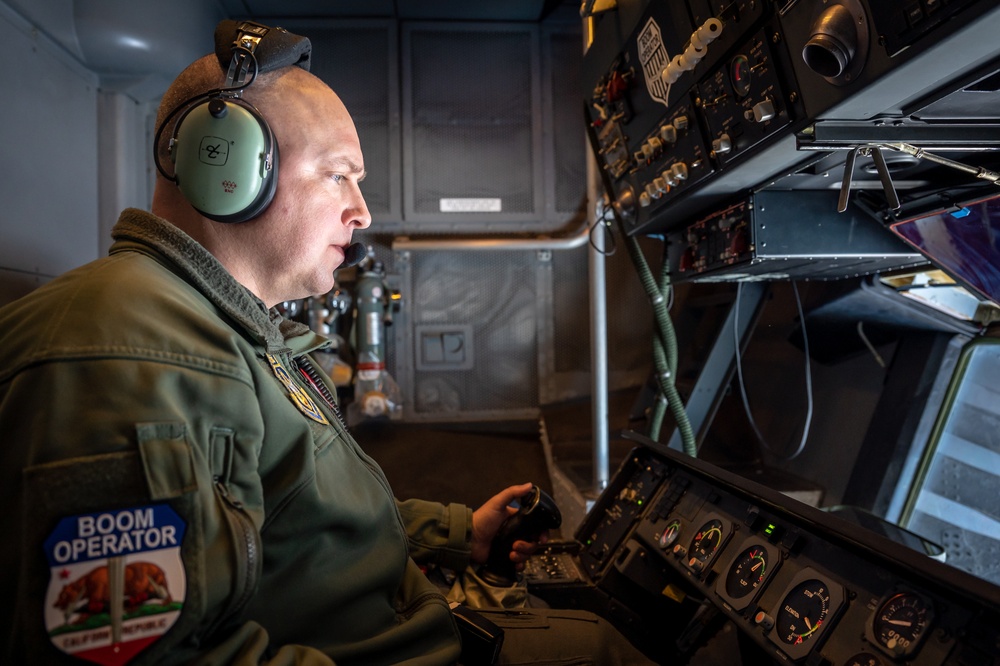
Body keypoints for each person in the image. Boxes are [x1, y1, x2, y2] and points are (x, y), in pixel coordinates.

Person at [0, 21, 655, 666]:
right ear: (221, 164)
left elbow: (296, 519)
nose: (363, 210)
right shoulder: (124, 354)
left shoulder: (229, 327)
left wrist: (457, 535)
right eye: (339, 174)